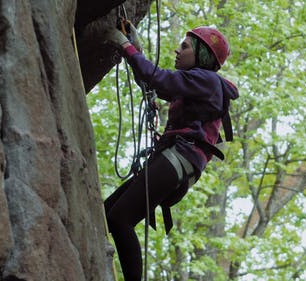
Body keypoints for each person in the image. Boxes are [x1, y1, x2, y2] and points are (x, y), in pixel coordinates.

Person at [103, 23, 239, 281]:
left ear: (201, 54)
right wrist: (136, 49)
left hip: (178, 158)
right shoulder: (198, 84)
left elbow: (159, 78)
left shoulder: (207, 80)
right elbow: (155, 85)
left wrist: (126, 46)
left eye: (184, 47)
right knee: (106, 214)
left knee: (120, 219)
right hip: (174, 159)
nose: (178, 51)